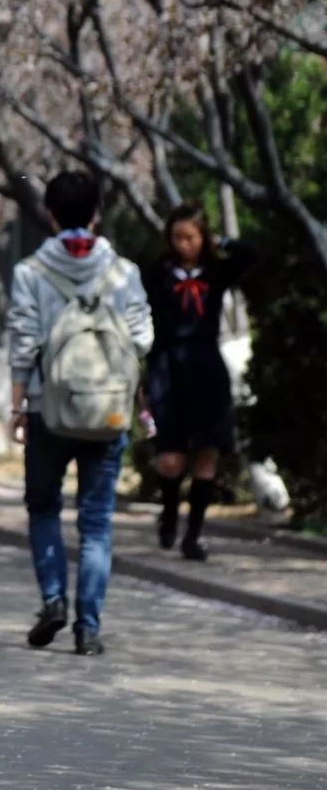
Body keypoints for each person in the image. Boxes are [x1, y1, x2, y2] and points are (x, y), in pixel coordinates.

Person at [7, 170, 153, 656]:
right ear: (96, 214)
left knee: (44, 508)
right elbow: (142, 338)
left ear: (49, 213)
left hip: (50, 411)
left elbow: (23, 344)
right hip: (109, 413)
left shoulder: (31, 272)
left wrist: (17, 406)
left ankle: (53, 599)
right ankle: (88, 626)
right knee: (96, 521)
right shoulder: (124, 272)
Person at [143, 203, 255, 562]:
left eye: (191, 237)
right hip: (167, 367)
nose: (184, 244)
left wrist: (221, 241)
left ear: (202, 237)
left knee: (207, 452)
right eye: (177, 237)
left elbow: (252, 256)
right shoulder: (156, 273)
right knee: (171, 459)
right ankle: (170, 513)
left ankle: (193, 536)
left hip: (206, 366)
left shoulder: (216, 272)